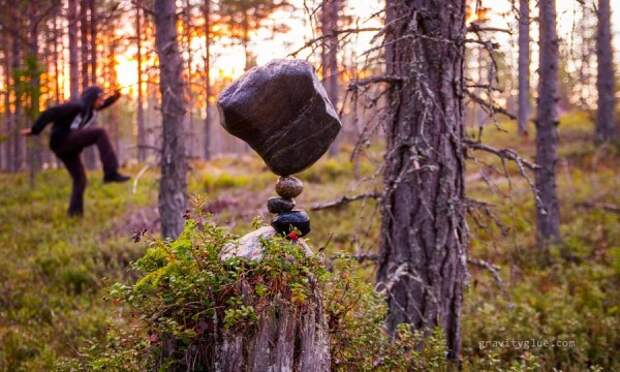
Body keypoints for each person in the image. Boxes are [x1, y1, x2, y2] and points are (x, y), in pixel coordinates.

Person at [21, 86, 130, 217]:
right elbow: (50, 113)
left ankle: (74, 214)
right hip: (63, 140)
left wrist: (115, 97)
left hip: (68, 149)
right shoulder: (76, 106)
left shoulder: (90, 109)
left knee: (80, 179)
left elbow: (103, 105)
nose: (101, 102)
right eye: (99, 99)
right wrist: (35, 130)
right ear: (92, 98)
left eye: (102, 99)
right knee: (100, 133)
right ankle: (111, 173)